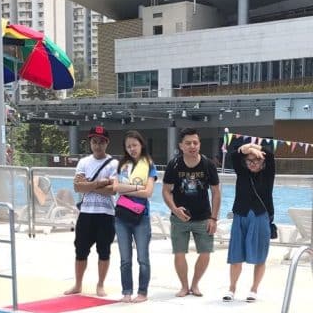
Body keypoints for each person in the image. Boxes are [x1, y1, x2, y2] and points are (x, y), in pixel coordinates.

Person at [162, 127, 222, 297]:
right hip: (179, 218)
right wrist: (174, 209)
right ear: (181, 145)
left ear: (199, 144)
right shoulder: (174, 165)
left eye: (195, 142)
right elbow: (166, 191)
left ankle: (195, 284)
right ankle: (184, 286)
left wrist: (214, 218)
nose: (192, 146)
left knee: (205, 253)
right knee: (179, 252)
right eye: (188, 143)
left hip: (203, 217)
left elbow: (216, 192)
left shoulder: (208, 165)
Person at [66, 125, 119, 297]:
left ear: (107, 143)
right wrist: (100, 183)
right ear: (90, 142)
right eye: (94, 142)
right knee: (80, 250)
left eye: (101, 142)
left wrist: (88, 185)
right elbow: (77, 187)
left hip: (106, 213)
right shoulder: (84, 162)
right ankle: (78, 284)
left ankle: (100, 284)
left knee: (104, 250)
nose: (97, 145)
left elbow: (112, 190)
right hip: (86, 213)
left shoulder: (113, 164)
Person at [225, 139, 275, 302]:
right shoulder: (242, 173)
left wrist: (256, 148)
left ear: (262, 161)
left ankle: (254, 289)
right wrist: (246, 149)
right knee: (235, 255)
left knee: (260, 255)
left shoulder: (268, 175)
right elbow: (233, 156)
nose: (253, 163)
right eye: (249, 161)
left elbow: (271, 154)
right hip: (241, 214)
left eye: (256, 160)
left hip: (261, 216)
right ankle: (232, 288)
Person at [111, 130, 157, 303]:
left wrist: (128, 187)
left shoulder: (149, 165)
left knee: (142, 258)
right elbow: (116, 188)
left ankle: (143, 292)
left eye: (135, 145)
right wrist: (138, 188)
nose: (132, 149)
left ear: (141, 145)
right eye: (128, 146)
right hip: (122, 216)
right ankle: (127, 291)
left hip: (141, 217)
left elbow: (149, 192)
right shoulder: (122, 165)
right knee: (125, 258)